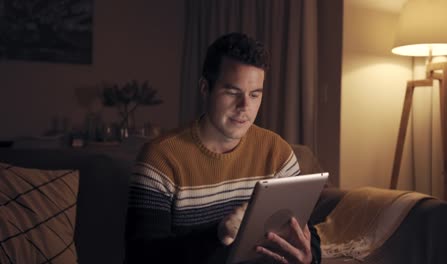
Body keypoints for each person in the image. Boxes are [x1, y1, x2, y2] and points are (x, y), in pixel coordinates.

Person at [125, 32, 321, 263]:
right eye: (232, 92)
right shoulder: (159, 160)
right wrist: (219, 235)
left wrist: (311, 257)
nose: (244, 107)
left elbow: (306, 232)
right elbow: (143, 257)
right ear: (205, 88)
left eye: (255, 94)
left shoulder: (278, 152)